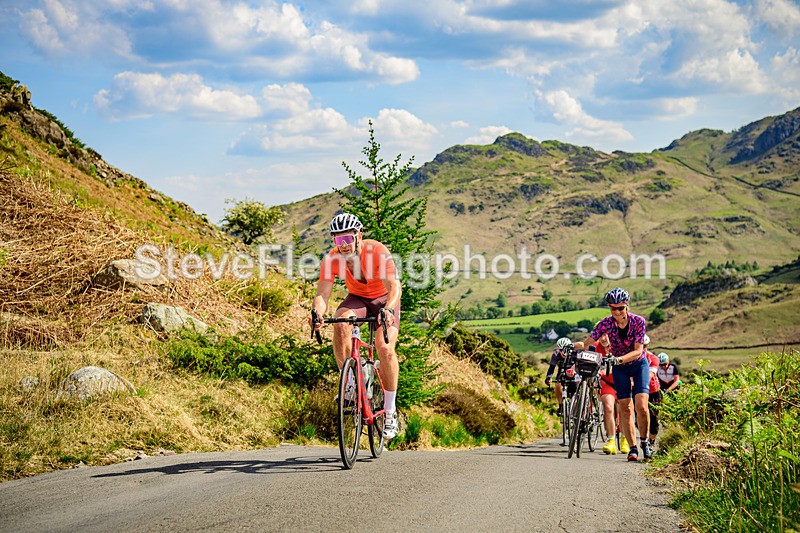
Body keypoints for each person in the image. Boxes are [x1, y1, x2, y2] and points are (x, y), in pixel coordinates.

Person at [310, 213, 402, 439]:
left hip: (384, 300)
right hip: (358, 299)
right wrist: (317, 313)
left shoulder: (377, 251)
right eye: (337, 240)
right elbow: (323, 293)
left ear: (358, 236)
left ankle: (390, 411)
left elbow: (394, 286)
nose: (342, 245)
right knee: (341, 322)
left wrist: (389, 309)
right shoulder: (331, 258)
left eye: (347, 239)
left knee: (385, 348)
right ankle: (350, 382)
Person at [582, 287, 652, 461]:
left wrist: (618, 359)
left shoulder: (638, 322)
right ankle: (633, 448)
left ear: (627, 306)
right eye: (613, 308)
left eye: (620, 308)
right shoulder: (605, 323)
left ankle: (645, 442)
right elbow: (588, 342)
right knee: (625, 407)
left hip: (637, 364)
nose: (617, 312)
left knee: (641, 406)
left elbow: (637, 351)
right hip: (619, 367)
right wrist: (584, 353)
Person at [544, 337, 578, 418]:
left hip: (574, 374)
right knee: (558, 386)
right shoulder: (556, 355)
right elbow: (551, 368)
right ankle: (561, 406)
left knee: (577, 392)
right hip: (562, 373)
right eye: (560, 350)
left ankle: (578, 411)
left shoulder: (575, 353)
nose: (562, 352)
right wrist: (548, 377)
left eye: (565, 349)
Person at [643, 335, 661, 454]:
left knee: (654, 418)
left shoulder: (653, 358)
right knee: (641, 417)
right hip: (639, 391)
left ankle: (652, 442)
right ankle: (644, 439)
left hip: (653, 391)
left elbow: (649, 375)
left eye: (644, 346)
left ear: (647, 346)